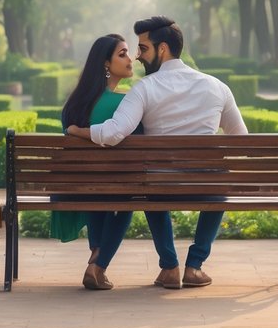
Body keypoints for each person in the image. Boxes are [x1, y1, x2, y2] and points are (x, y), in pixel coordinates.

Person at [66, 16, 247, 290]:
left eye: (143, 48)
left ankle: (170, 266)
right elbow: (241, 140)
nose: (138, 57)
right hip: (207, 186)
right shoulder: (217, 87)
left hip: (161, 185)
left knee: (149, 186)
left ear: (162, 49)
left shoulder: (144, 89)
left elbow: (115, 132)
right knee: (219, 184)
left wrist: (80, 132)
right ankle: (195, 266)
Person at [57, 34, 138, 291]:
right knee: (125, 201)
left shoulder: (74, 104)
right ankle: (98, 264)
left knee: (94, 188)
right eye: (122, 54)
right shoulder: (124, 103)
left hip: (75, 187)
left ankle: (96, 258)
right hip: (115, 185)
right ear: (106, 63)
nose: (130, 58)